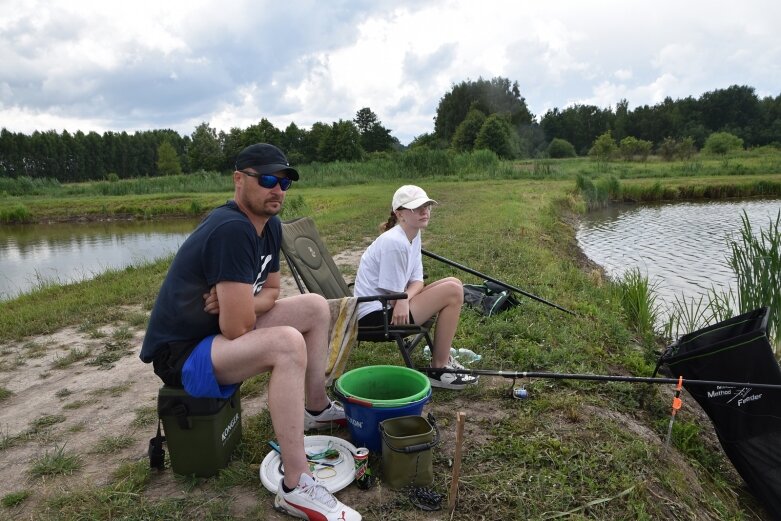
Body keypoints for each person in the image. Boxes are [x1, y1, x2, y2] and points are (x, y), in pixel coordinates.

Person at [139, 143, 361, 521]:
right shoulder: (231, 229)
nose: (278, 189)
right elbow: (235, 326)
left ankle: (316, 409)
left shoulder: (269, 225)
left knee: (315, 306)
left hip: (217, 334)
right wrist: (236, 309)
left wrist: (241, 302)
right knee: (288, 344)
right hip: (184, 353)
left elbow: (272, 292)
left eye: (285, 182)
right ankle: (296, 486)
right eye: (268, 179)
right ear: (239, 180)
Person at [353, 185, 479, 390]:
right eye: (417, 208)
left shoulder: (413, 234)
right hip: (374, 316)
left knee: (454, 283)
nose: (425, 211)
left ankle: (443, 361)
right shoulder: (394, 242)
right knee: (453, 291)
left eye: (427, 206)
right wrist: (400, 299)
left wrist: (404, 298)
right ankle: (440, 369)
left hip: (392, 306)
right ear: (399, 214)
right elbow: (396, 296)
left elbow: (418, 281)